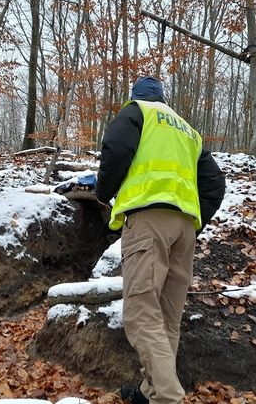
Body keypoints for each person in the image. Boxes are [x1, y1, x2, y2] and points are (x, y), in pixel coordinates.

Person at [96, 76, 225, 404]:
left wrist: (103, 192)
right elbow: (215, 183)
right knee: (167, 317)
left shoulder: (137, 111)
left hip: (148, 220)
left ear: (135, 96)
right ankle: (148, 392)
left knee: (140, 312)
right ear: (163, 97)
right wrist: (193, 223)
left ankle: (167, 397)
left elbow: (116, 147)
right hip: (184, 228)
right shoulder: (187, 130)